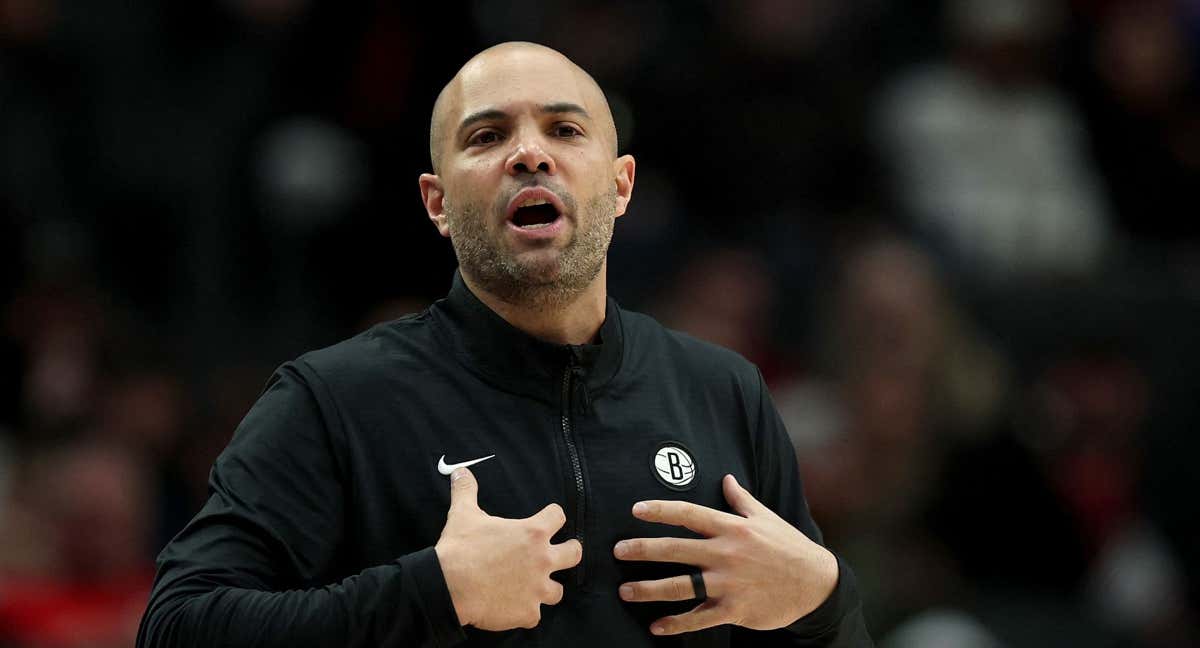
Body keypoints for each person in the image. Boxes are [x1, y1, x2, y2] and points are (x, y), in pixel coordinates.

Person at [136, 42, 872, 647]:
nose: (530, 154)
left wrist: (823, 603)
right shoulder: (334, 399)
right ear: (437, 204)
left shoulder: (722, 392)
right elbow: (176, 628)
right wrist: (434, 590)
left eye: (565, 129)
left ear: (620, 188)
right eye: (488, 137)